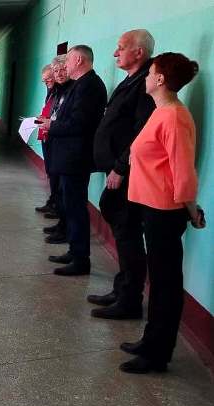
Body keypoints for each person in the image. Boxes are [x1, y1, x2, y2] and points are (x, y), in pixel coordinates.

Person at [120, 52, 205, 374]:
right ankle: (150, 341)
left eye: (149, 73)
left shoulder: (174, 117)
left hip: (165, 211)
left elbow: (183, 172)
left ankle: (157, 354)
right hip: (151, 206)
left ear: (160, 79)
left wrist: (192, 211)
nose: (144, 78)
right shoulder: (161, 112)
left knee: (165, 284)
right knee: (158, 281)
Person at [87, 29, 157, 320]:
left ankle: (129, 300)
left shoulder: (146, 84)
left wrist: (120, 166)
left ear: (138, 52)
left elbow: (141, 133)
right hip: (116, 168)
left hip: (128, 173)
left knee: (128, 234)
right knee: (122, 231)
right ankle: (122, 289)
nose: (115, 53)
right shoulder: (132, 80)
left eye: (121, 47)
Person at [40, 45, 107, 276]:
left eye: (67, 61)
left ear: (78, 60)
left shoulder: (89, 86)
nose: (64, 66)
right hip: (69, 156)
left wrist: (52, 125)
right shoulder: (80, 84)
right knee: (71, 205)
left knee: (76, 207)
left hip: (76, 158)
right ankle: (75, 250)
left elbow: (80, 124)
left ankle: (80, 259)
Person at [41, 55, 72, 245]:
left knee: (66, 192)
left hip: (67, 148)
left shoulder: (73, 90)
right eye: (56, 71)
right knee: (56, 183)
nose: (59, 74)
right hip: (54, 140)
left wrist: (51, 124)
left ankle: (66, 229)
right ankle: (61, 224)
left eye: (62, 70)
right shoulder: (58, 91)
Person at [34, 64, 56, 214]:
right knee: (50, 171)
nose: (46, 83)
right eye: (44, 80)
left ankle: (56, 204)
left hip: (55, 135)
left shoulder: (62, 92)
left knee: (55, 173)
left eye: (48, 79)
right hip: (46, 134)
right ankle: (52, 201)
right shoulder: (51, 92)